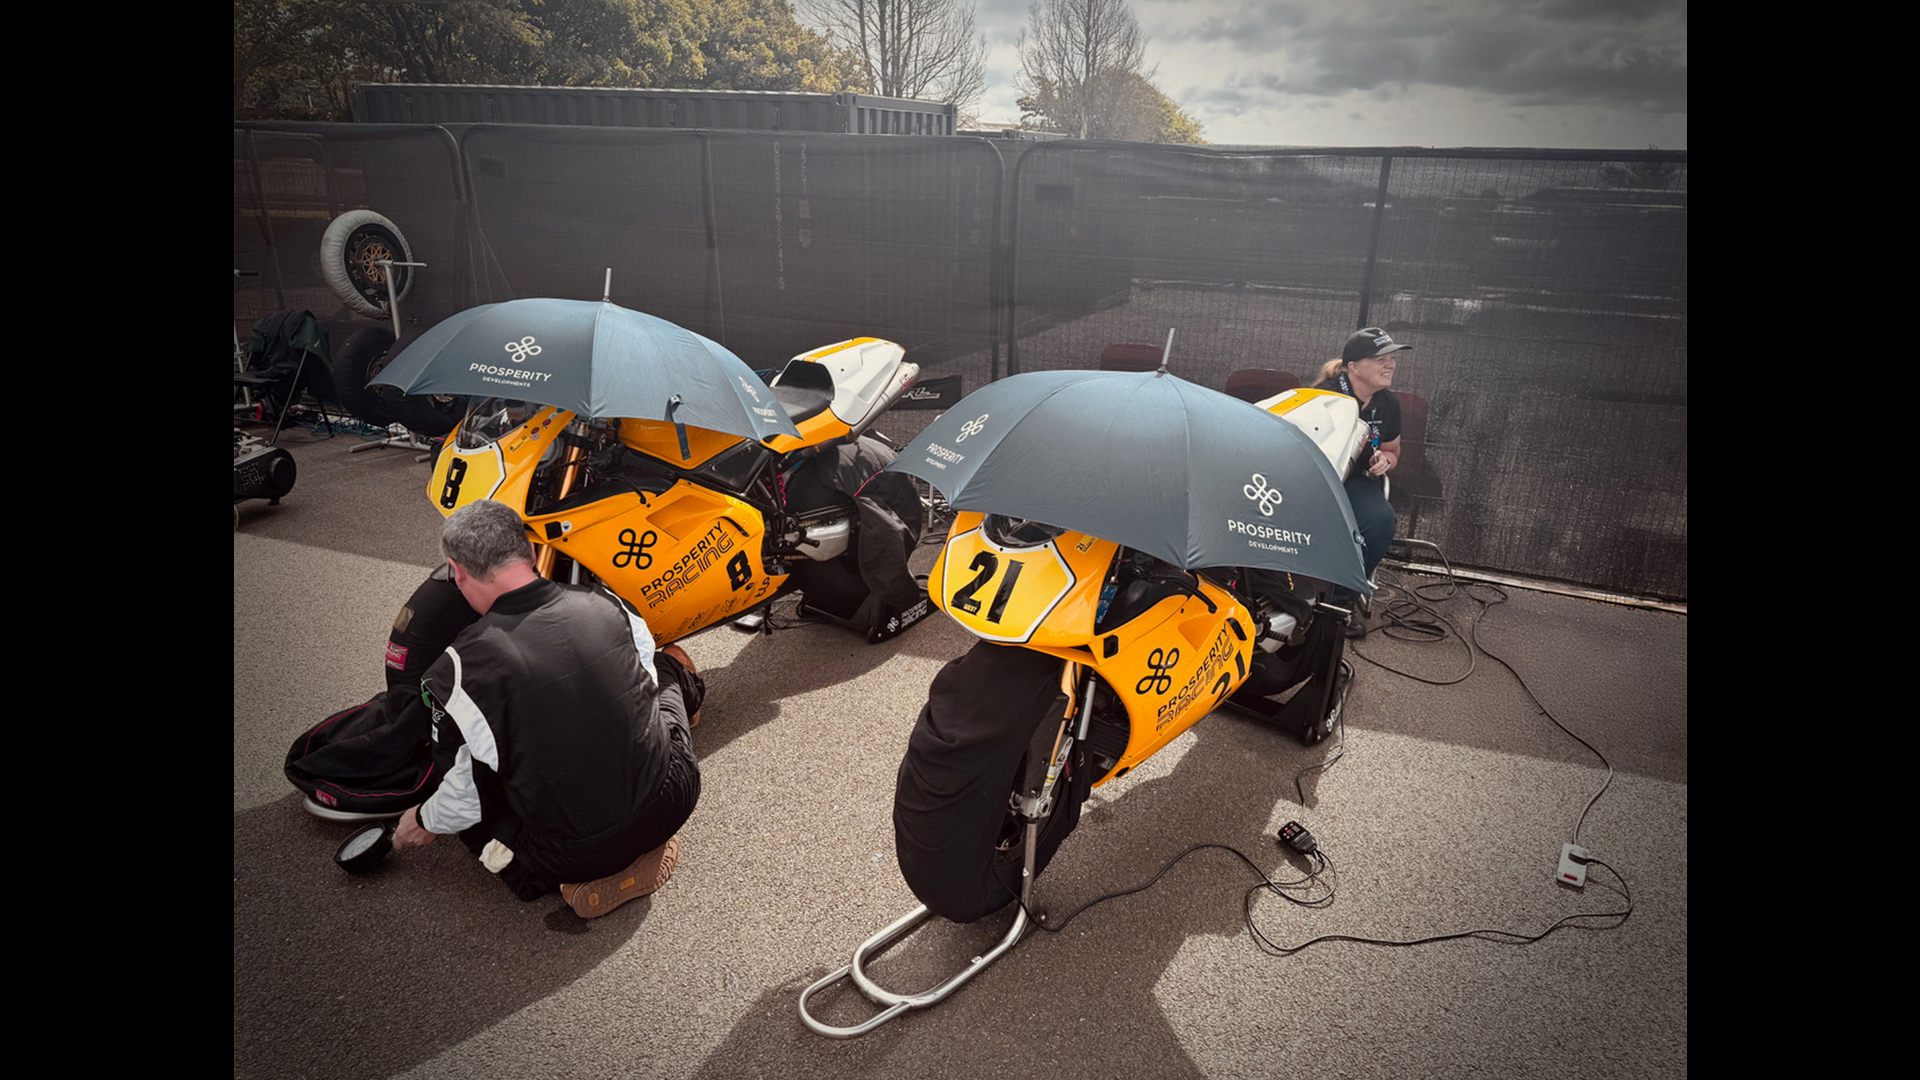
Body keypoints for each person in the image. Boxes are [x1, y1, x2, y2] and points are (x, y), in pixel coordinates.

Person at [392, 499, 705, 918]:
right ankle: (687, 700)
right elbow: (643, 694)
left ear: (457, 570)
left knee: (481, 817)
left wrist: (423, 820)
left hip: (575, 853)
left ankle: (575, 876)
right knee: (663, 673)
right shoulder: (609, 603)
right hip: (673, 801)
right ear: (531, 551)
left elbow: (469, 793)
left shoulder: (456, 670)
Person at [1315, 327, 1411, 633]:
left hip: (1356, 481)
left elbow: (1392, 451)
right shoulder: (1325, 396)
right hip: (1316, 480)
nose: (1391, 364)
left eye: (1392, 358)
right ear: (1354, 367)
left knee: (1380, 520)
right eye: (1381, 358)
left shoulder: (1388, 404)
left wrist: (1384, 461)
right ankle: (1302, 592)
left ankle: (1342, 599)